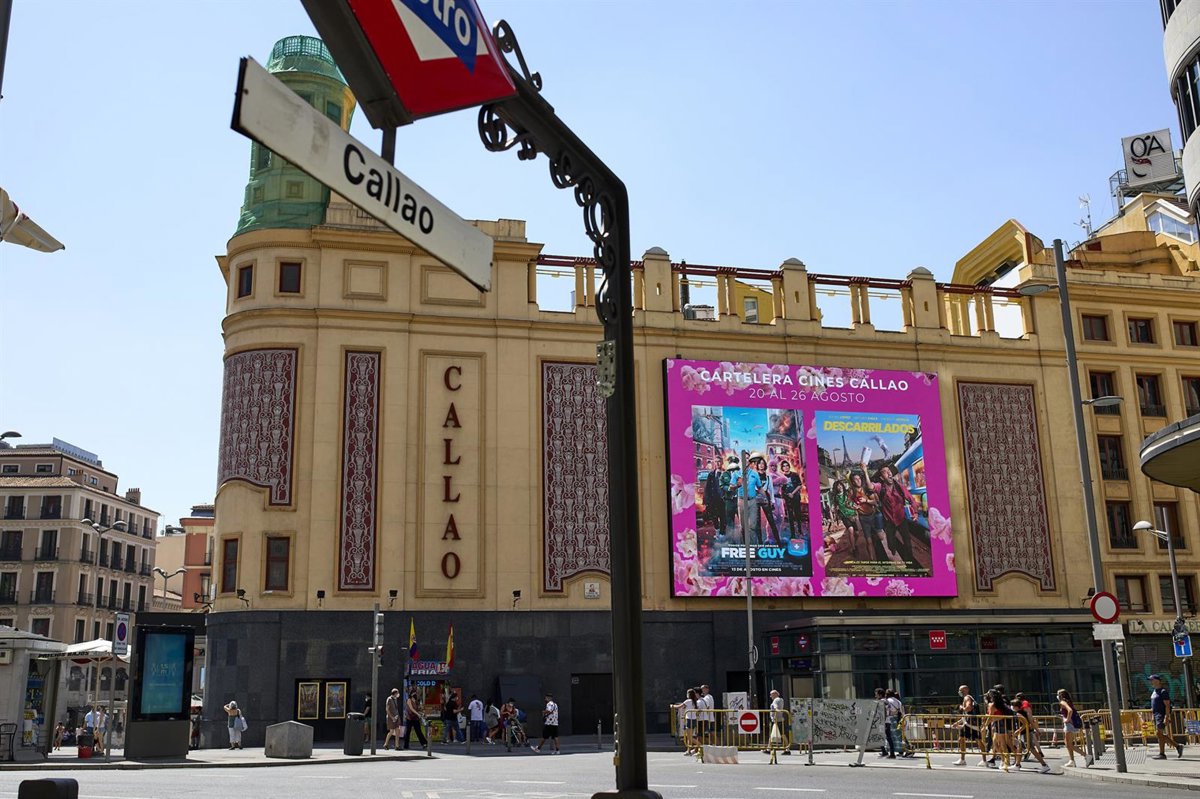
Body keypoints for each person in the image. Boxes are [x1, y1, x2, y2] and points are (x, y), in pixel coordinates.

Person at [871, 465, 919, 566]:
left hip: (901, 520)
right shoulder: (880, 487)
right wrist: (865, 471)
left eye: (889, 471)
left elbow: (911, 499)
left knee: (907, 543)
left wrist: (915, 512)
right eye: (885, 472)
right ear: (881, 477)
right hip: (889, 522)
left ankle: (910, 563)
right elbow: (870, 486)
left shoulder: (900, 487)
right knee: (891, 544)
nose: (889, 473)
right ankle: (892, 548)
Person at [1012, 692, 1051, 772]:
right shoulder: (1024, 712)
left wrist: (1018, 730)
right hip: (1026, 732)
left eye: (1013, 706)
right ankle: (1017, 765)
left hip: (1025, 733)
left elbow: (1026, 723)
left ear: (1016, 707)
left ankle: (1044, 765)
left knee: (1031, 749)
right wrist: (1037, 730)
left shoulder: (1019, 714)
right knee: (1020, 747)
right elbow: (1031, 721)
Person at [1150, 674, 1184, 759]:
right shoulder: (1154, 691)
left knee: (1159, 734)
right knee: (1159, 734)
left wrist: (1166, 717)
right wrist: (1152, 715)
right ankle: (1177, 747)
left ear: (1158, 681)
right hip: (1156, 715)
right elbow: (1153, 705)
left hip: (1161, 715)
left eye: (1152, 680)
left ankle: (1163, 753)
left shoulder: (1163, 692)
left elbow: (1167, 705)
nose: (1151, 682)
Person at [952, 684, 979, 766]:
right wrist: (958, 722)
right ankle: (963, 759)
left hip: (969, 723)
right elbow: (966, 715)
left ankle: (962, 759)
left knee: (975, 740)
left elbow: (968, 708)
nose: (959, 692)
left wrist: (961, 708)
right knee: (963, 739)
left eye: (961, 690)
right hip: (970, 722)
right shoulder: (969, 697)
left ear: (965, 690)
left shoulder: (967, 698)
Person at [1056, 689, 1084, 767]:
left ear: (1060, 695)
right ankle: (1072, 760)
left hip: (1069, 725)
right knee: (1067, 743)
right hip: (1071, 724)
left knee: (1068, 744)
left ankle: (1085, 755)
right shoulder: (1068, 701)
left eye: (1057, 694)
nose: (1057, 696)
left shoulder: (1062, 702)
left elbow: (1070, 711)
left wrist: (1067, 719)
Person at [718, 454, 742, 541]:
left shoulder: (741, 473)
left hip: (739, 500)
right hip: (729, 501)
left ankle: (745, 540)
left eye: (734, 462)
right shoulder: (724, 474)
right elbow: (721, 485)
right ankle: (732, 540)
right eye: (731, 462)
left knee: (743, 521)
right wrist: (728, 488)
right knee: (729, 522)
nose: (732, 464)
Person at [673, 687, 700, 755]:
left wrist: (672, 706)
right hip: (693, 720)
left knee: (689, 737)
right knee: (689, 736)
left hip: (689, 720)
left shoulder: (688, 701)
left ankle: (700, 745)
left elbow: (679, 706)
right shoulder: (695, 701)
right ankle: (689, 750)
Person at [702, 458, 724, 533]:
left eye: (719, 461)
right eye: (716, 462)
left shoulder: (725, 473)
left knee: (723, 517)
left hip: (723, 499)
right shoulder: (711, 474)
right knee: (714, 517)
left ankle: (722, 533)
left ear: (722, 462)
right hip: (713, 499)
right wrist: (706, 500)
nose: (717, 463)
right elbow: (707, 487)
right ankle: (717, 530)